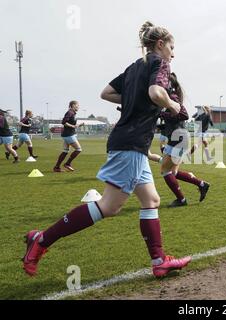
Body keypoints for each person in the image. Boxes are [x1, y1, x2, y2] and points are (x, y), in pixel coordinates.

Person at [22, 21, 191, 278]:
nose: (173, 53)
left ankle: (159, 261)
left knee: (151, 200)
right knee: (110, 206)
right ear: (160, 45)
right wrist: (172, 105)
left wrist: (136, 98)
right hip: (131, 143)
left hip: (130, 142)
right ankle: (42, 239)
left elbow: (106, 93)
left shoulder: (135, 67)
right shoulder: (160, 63)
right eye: (171, 47)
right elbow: (157, 92)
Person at [161, 73, 210, 208]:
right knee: (173, 173)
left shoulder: (172, 97)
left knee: (165, 171)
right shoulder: (170, 97)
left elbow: (183, 115)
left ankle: (181, 200)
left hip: (178, 139)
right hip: (177, 138)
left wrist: (160, 113)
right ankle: (202, 184)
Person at [53, 101, 85, 172]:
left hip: (67, 134)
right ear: (73, 105)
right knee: (78, 149)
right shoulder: (70, 112)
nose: (78, 107)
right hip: (68, 135)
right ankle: (67, 164)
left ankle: (56, 167)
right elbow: (64, 122)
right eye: (77, 105)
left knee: (65, 151)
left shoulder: (72, 113)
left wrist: (79, 125)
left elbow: (71, 125)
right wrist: (73, 126)